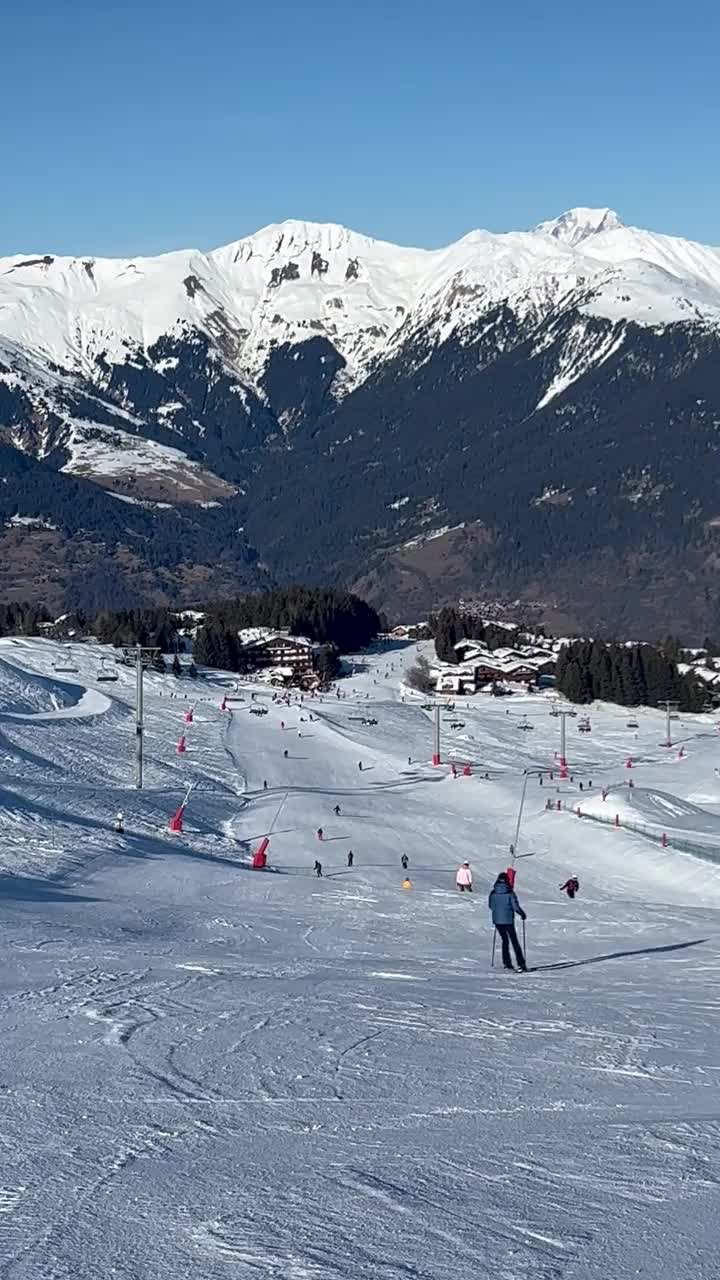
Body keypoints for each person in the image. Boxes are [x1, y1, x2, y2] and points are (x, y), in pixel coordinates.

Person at [488, 872, 527, 972]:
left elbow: (491, 906)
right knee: (514, 941)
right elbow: (515, 907)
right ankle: (521, 964)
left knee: (505, 940)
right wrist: (522, 914)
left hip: (497, 920)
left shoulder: (493, 893)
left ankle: (507, 963)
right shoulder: (510, 893)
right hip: (508, 920)